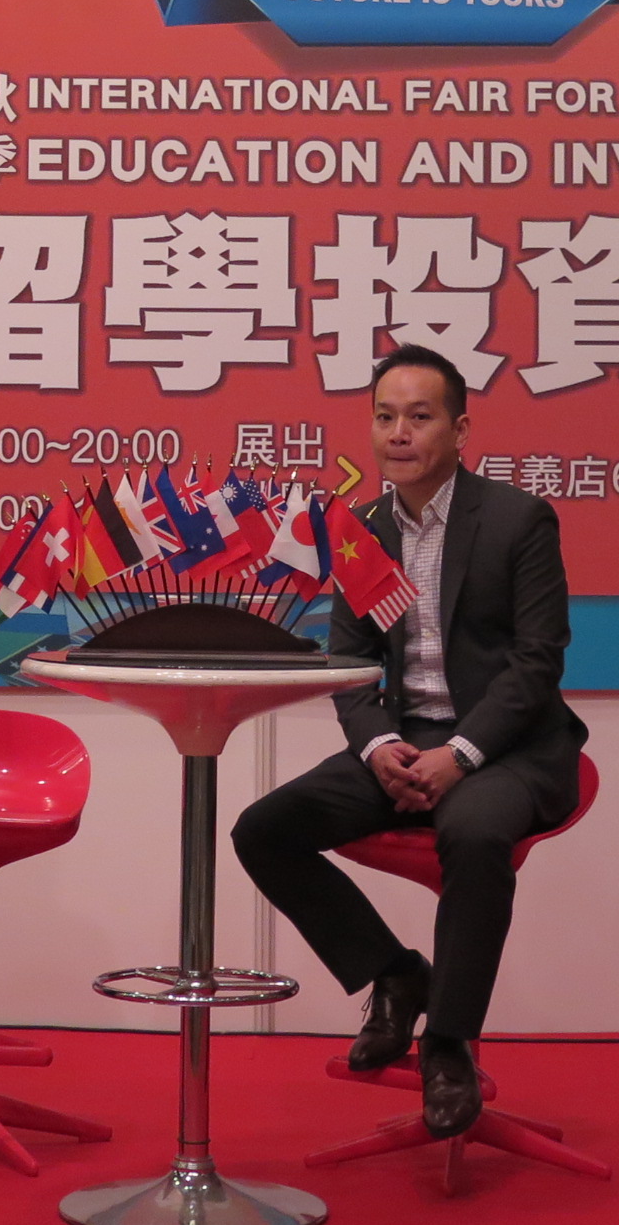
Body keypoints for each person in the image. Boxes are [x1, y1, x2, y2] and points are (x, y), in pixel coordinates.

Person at [231, 343, 584, 1138]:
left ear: (459, 430)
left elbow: (537, 662)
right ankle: (394, 975)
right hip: (407, 737)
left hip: (511, 746)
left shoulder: (517, 520)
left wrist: (460, 756)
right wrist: (378, 747)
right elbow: (351, 663)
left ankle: (449, 1044)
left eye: (419, 417)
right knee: (264, 830)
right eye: (385, 416)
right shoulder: (362, 529)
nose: (398, 433)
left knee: (475, 830)